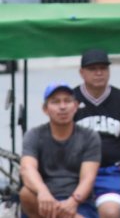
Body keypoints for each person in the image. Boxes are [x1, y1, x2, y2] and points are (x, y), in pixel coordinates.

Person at [73, 49, 120, 218]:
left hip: (110, 171)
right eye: (93, 69)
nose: (99, 73)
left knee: (111, 212)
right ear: (81, 72)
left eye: (103, 68)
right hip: (76, 172)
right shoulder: (70, 99)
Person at [20, 82, 102, 218]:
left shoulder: (89, 136)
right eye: (55, 102)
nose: (62, 107)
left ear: (75, 106)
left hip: (78, 201)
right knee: (25, 193)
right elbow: (27, 168)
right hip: (44, 201)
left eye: (67, 101)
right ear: (45, 109)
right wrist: (42, 192)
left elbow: (88, 177)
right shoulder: (34, 135)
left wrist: (73, 201)